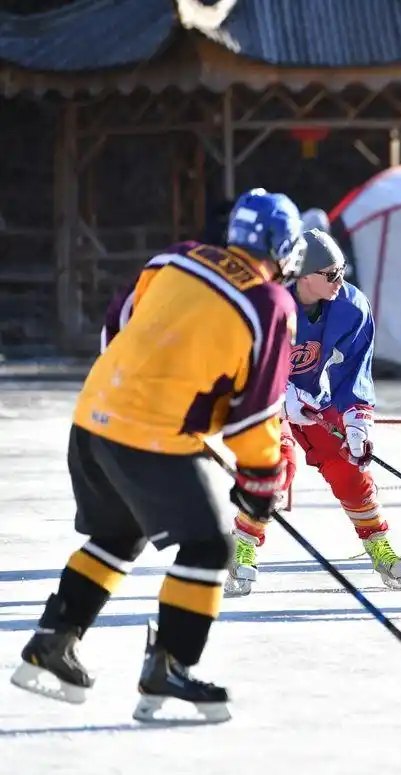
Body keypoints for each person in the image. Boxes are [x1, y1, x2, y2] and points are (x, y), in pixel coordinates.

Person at [10, 188, 304, 723]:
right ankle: (171, 669)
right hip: (149, 435)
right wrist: (261, 481)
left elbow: (117, 328)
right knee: (209, 546)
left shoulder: (174, 258)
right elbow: (255, 411)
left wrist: (154, 400)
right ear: (283, 248)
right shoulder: (270, 303)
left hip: (94, 415)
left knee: (121, 532)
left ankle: (52, 644)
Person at [226, 227, 401, 596]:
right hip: (263, 399)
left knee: (348, 466)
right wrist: (281, 397)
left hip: (314, 396)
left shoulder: (350, 306)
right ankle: (243, 544)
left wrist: (357, 419)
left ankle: (377, 541)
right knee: (275, 468)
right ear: (302, 276)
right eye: (331, 274)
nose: (339, 281)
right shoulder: (267, 304)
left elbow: (356, 366)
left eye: (343, 270)